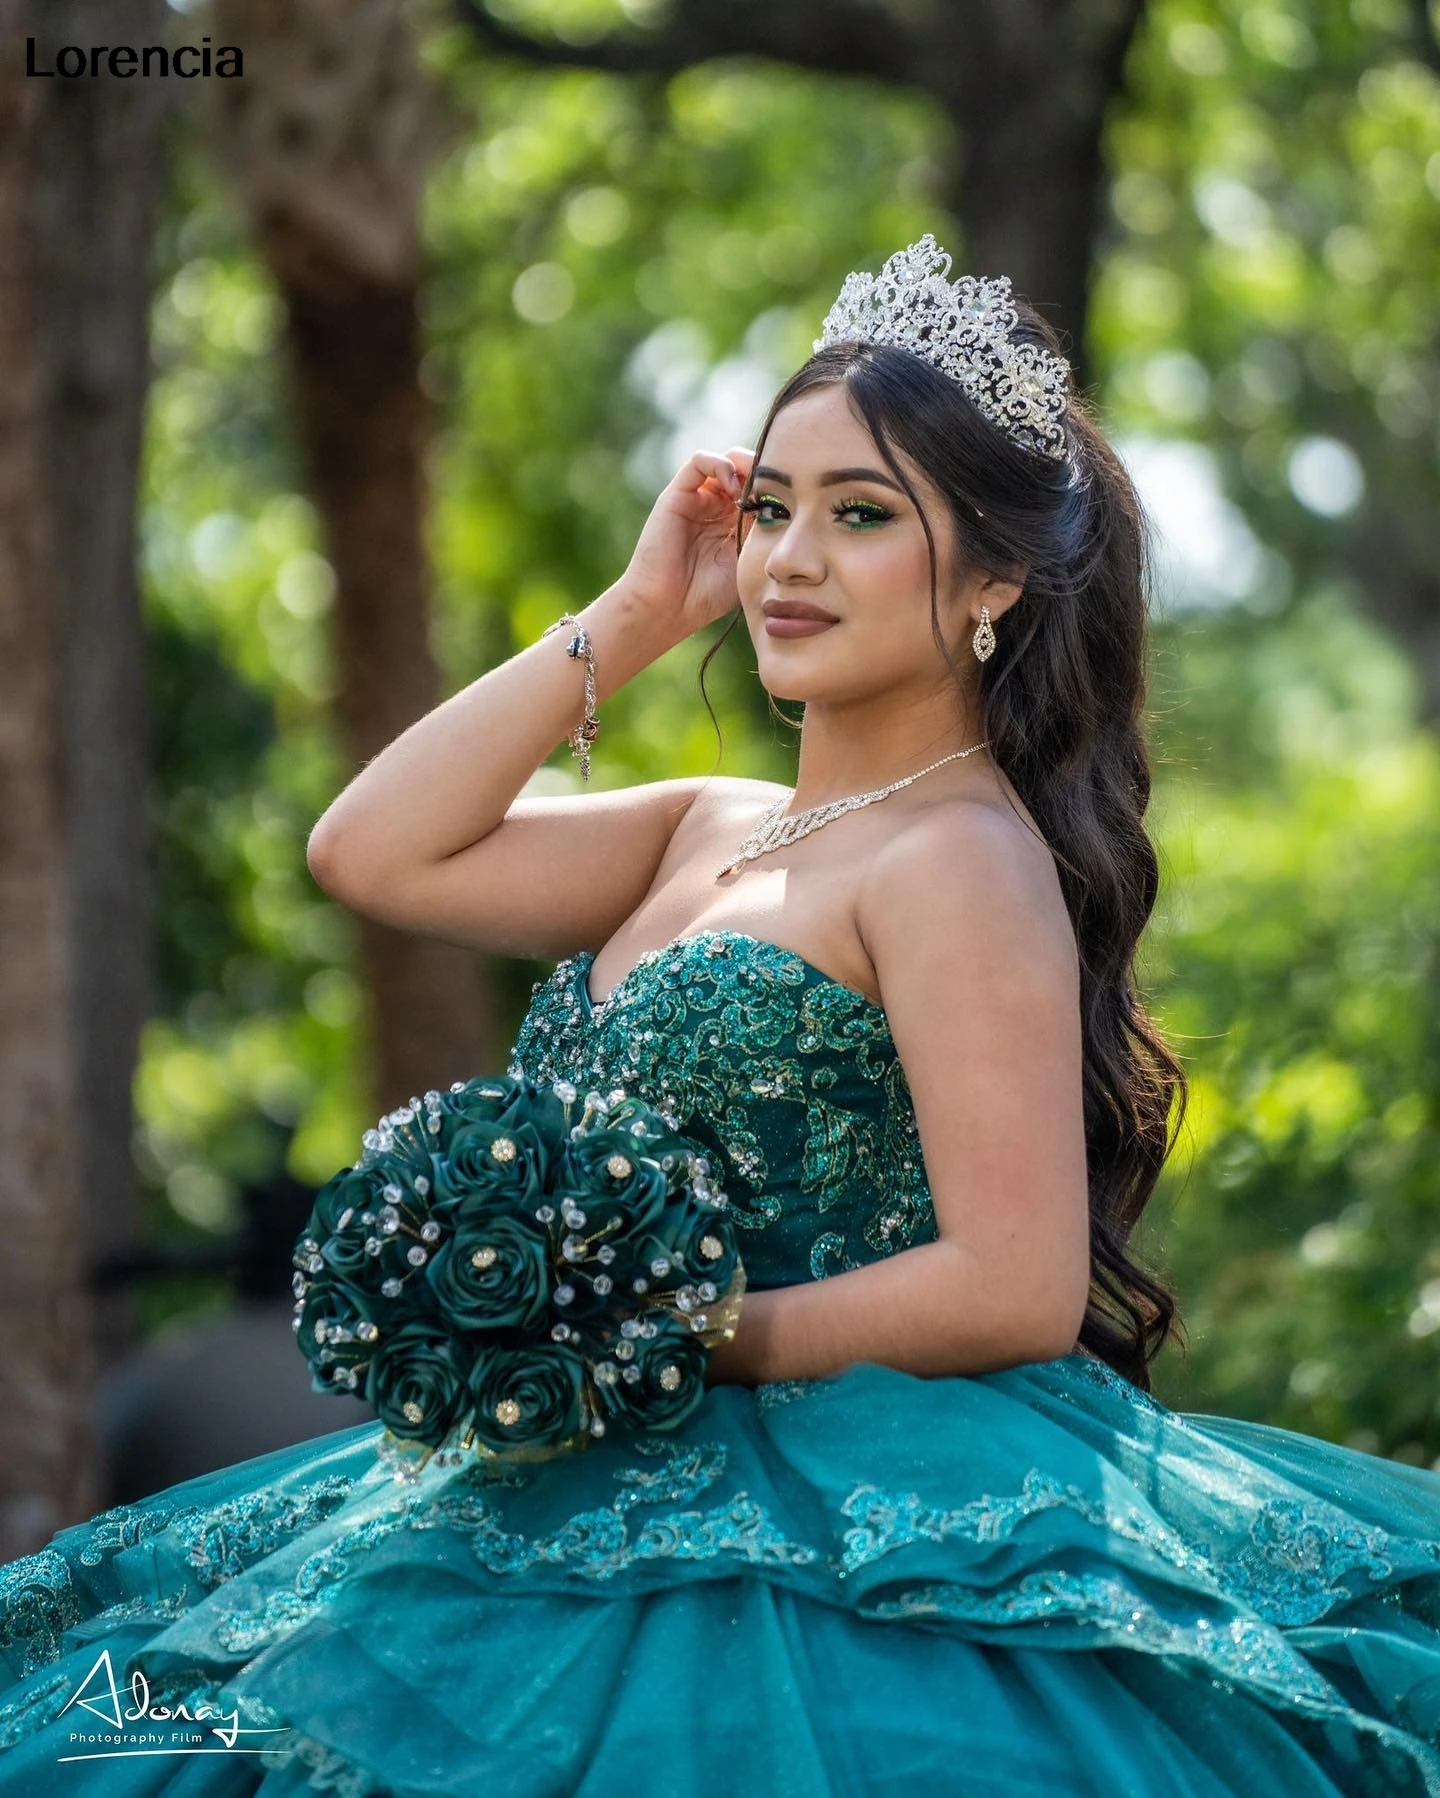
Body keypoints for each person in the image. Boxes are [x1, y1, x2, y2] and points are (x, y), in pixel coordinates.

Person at [1, 234, 1437, 1797]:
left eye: (862, 516)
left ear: (1001, 580)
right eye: (770, 508)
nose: (789, 560)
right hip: (565, 1474)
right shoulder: (707, 822)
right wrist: (631, 609)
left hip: (841, 1512)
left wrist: (655, 1333)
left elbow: (1015, 1284)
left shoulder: (960, 856)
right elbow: (367, 848)